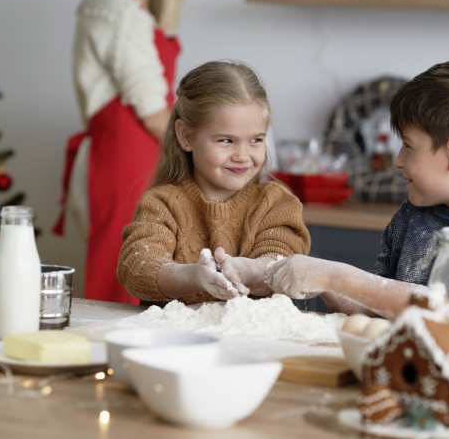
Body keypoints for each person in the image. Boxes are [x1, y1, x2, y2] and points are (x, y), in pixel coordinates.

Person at [263, 60, 449, 348]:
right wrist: (324, 283)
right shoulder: (411, 216)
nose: (397, 161)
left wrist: (336, 276)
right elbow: (372, 309)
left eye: (408, 146)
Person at [53, 0, 185, 304]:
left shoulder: (134, 10)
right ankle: (106, 363)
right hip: (127, 162)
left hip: (144, 158)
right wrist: (202, 159)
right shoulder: (117, 9)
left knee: (144, 266)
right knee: (123, 275)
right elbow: (153, 111)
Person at [117, 61, 311, 305]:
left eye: (255, 140)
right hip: (177, 340)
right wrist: (197, 275)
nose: (242, 155)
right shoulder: (162, 204)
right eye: (226, 140)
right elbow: (138, 266)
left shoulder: (277, 204)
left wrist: (244, 269)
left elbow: (282, 261)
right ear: (186, 136)